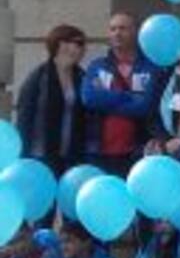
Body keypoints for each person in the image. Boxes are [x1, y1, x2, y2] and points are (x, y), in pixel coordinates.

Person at [81, 10, 165, 175]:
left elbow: (145, 106)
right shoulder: (98, 65)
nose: (117, 33)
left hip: (137, 151)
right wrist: (128, 97)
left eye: (123, 28)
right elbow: (89, 98)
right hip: (99, 151)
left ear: (136, 32)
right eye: (113, 29)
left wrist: (105, 97)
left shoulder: (151, 67)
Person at [15, 24, 88, 174]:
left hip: (70, 155)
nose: (82, 49)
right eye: (78, 43)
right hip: (40, 154)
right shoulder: (39, 77)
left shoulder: (81, 76)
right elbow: (24, 118)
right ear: (62, 44)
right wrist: (22, 155)